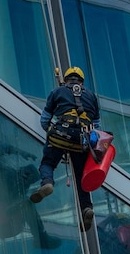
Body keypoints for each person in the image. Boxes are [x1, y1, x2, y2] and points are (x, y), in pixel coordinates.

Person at [30, 66, 101, 231]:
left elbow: (45, 119)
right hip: (81, 142)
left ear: (67, 79)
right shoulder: (92, 96)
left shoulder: (57, 91)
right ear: (81, 81)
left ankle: (47, 182)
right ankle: (87, 208)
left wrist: (50, 131)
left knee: (48, 162)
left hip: (61, 135)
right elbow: (96, 125)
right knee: (80, 178)